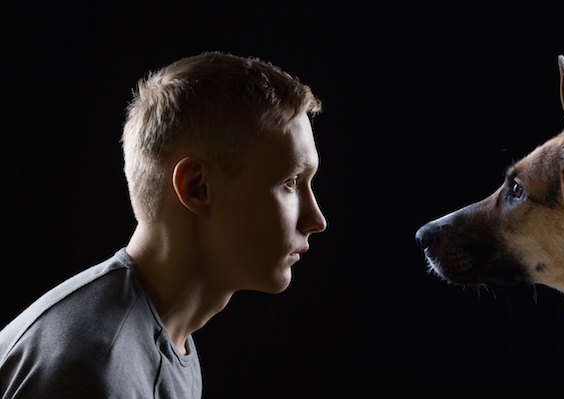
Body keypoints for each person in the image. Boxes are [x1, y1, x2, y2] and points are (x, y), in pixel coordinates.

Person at [0, 51, 327, 398]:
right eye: (290, 182)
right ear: (196, 187)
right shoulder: (95, 370)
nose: (316, 220)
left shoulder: (161, 336)